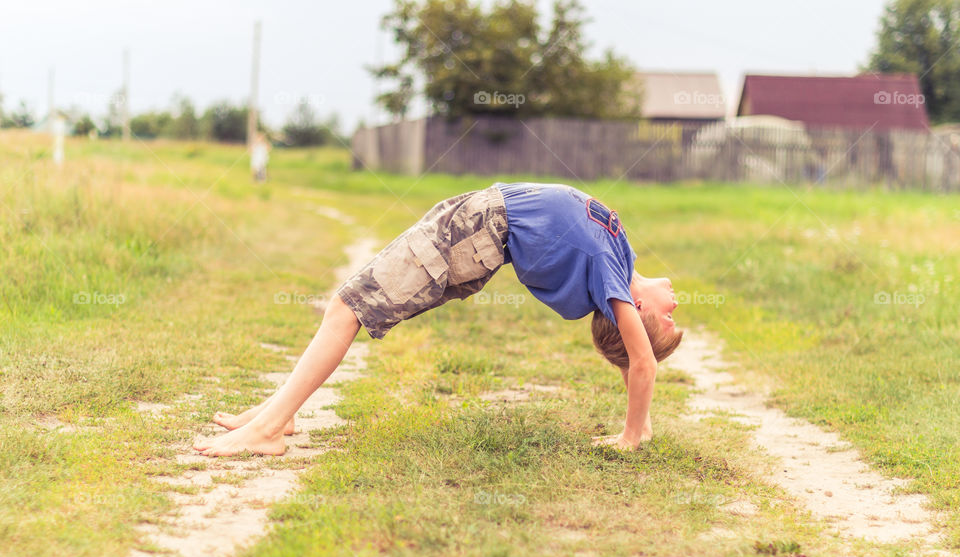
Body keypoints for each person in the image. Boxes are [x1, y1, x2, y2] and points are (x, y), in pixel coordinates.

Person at [194, 182, 683, 457]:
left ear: (637, 316)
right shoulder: (621, 261)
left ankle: (270, 428)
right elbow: (631, 357)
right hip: (476, 219)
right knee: (348, 303)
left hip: (479, 229)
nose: (676, 308)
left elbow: (641, 362)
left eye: (667, 323)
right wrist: (635, 396)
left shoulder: (611, 281)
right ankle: (279, 412)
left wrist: (633, 433)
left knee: (347, 307)